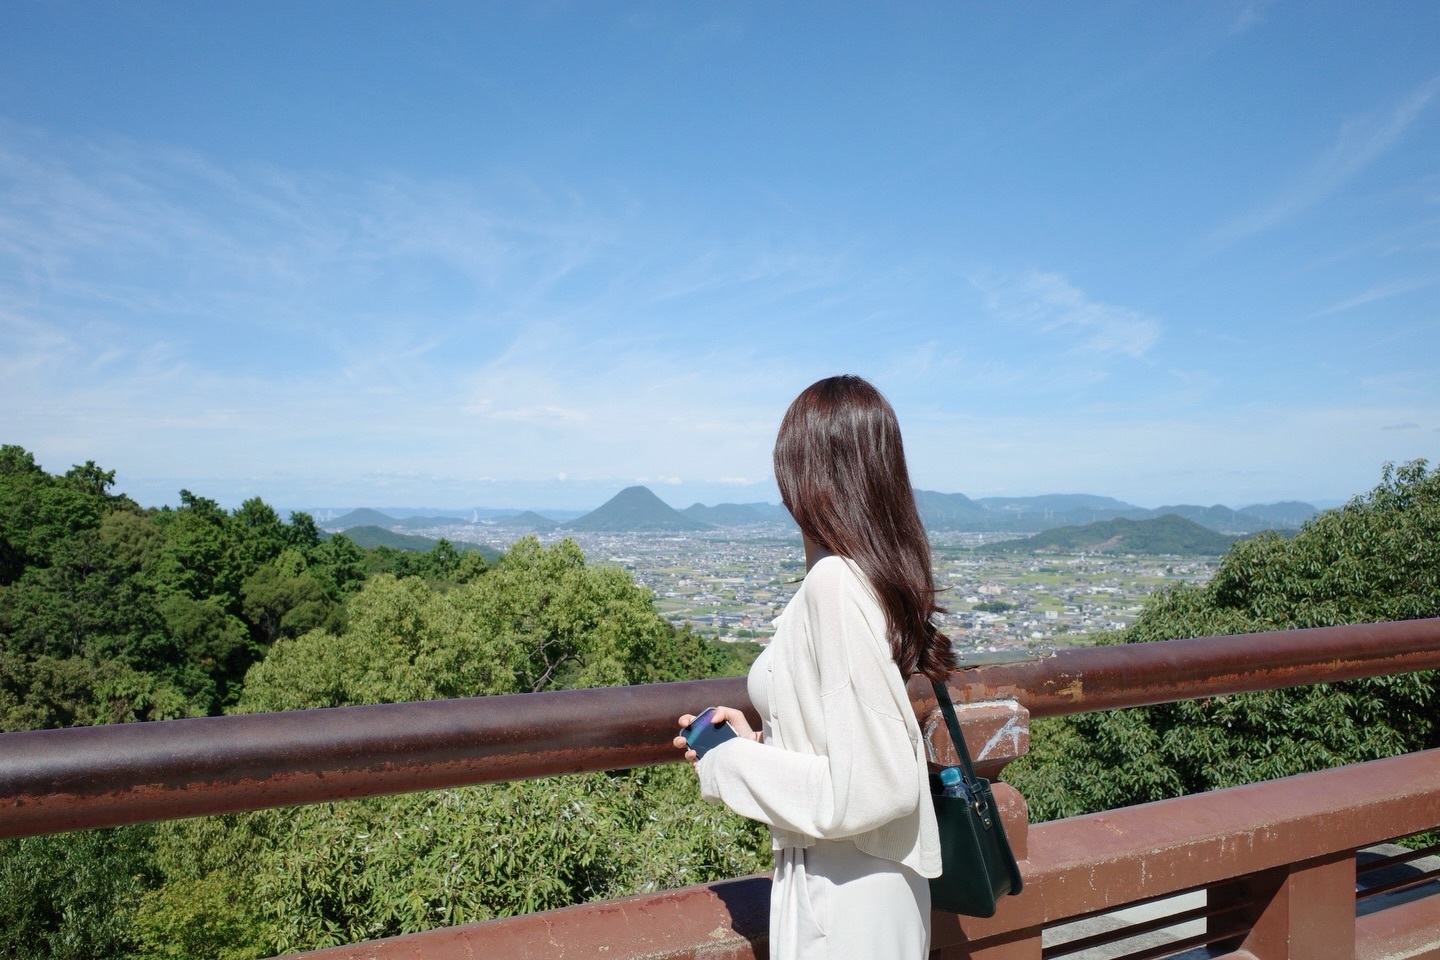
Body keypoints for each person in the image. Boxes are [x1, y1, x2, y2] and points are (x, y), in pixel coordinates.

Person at [674, 374, 955, 960]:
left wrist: (731, 761)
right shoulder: (863, 576)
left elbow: (876, 789)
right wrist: (763, 738)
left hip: (846, 901)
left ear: (807, 476)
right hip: (856, 886)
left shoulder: (833, 584)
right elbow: (847, 740)